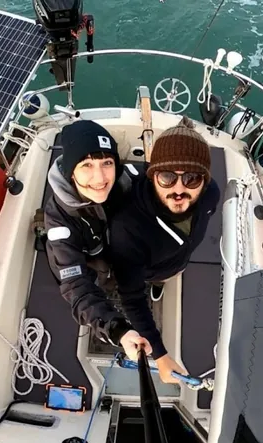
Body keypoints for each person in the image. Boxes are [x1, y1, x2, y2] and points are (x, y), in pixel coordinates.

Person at [109, 117, 220, 383]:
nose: (179, 190)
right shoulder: (128, 226)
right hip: (147, 267)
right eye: (167, 177)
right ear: (153, 176)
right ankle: (156, 281)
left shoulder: (211, 194)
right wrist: (159, 354)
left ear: (204, 181)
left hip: (177, 262)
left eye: (191, 178)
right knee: (148, 281)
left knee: (169, 275)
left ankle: (160, 282)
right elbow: (131, 297)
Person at [44, 120, 151, 356]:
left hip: (119, 253)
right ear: (70, 172)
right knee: (98, 285)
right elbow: (76, 287)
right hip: (92, 268)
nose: (100, 177)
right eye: (86, 165)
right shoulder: (59, 220)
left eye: (107, 163)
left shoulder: (127, 181)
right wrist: (118, 331)